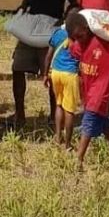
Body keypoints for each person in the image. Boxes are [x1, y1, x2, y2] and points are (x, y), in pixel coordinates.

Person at [10, 0, 77, 128]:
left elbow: (74, 2)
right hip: (29, 27)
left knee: (50, 73)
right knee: (17, 68)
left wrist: (63, 19)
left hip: (49, 30)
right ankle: (20, 115)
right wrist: (22, 8)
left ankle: (53, 116)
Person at [68, 11, 109, 170]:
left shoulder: (102, 43)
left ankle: (78, 160)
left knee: (88, 122)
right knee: (103, 125)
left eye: (80, 36)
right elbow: (72, 49)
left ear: (87, 29)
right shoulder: (80, 45)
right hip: (88, 91)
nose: (79, 40)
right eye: (76, 38)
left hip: (101, 91)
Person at [43, 18, 81, 149]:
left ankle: (58, 136)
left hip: (56, 73)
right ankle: (68, 144)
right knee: (69, 110)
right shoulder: (79, 35)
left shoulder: (57, 33)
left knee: (59, 105)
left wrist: (45, 74)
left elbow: (48, 55)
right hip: (70, 74)